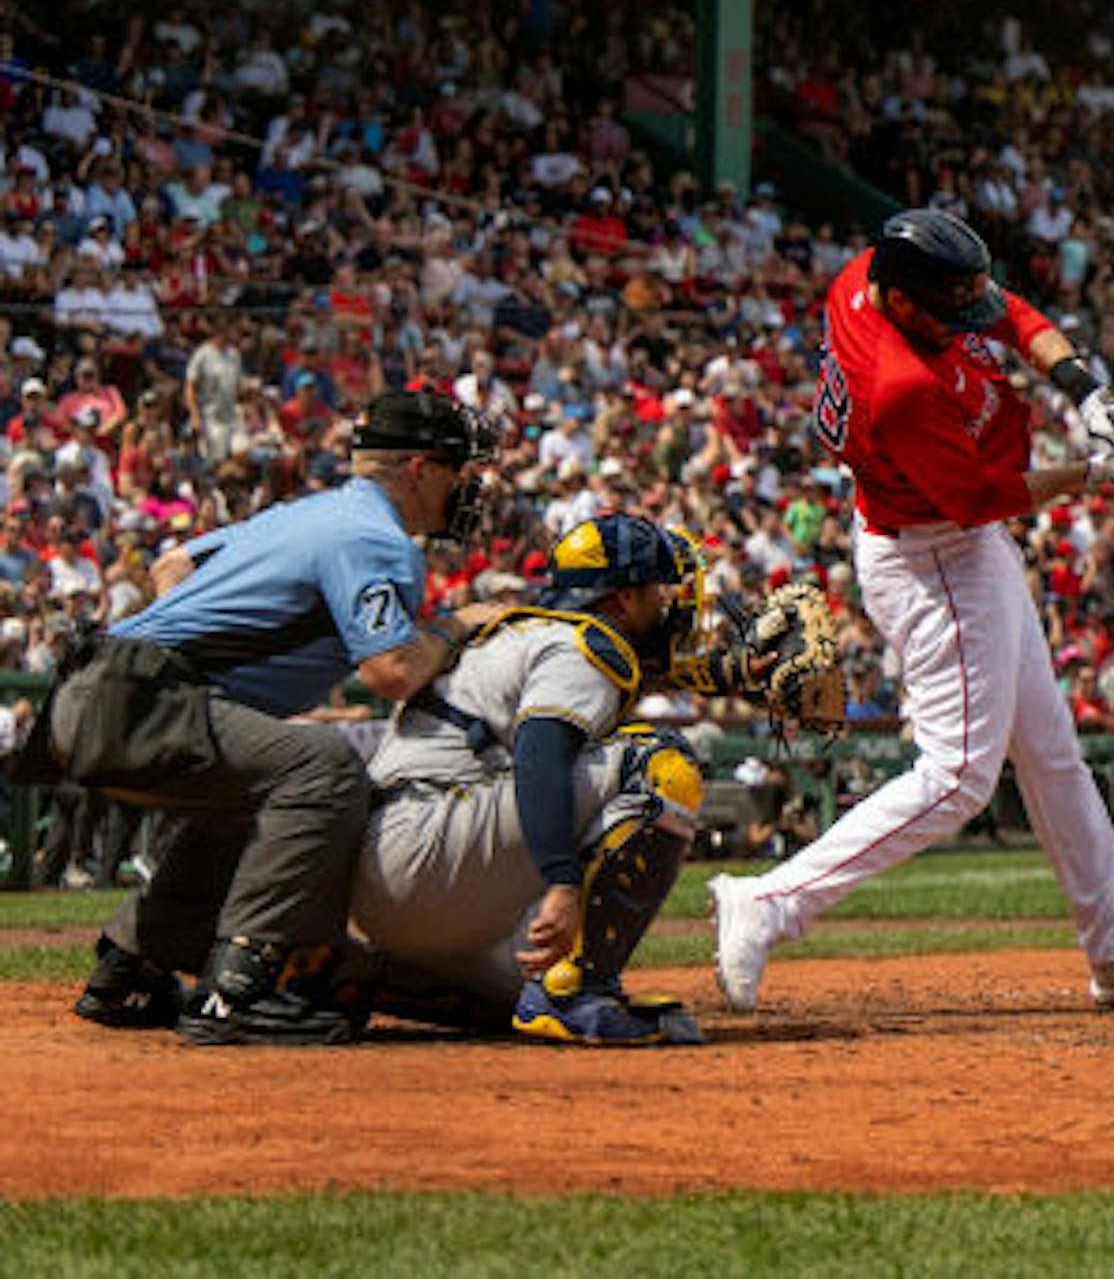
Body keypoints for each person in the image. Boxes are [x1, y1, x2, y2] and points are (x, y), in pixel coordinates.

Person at [709, 208, 1114, 1010]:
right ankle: (770, 902)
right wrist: (1091, 475)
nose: (970, 319)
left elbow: (1010, 313)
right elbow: (978, 498)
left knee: (1051, 753)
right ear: (900, 301)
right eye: (949, 309)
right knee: (961, 775)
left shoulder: (881, 273)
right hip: (932, 552)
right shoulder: (899, 387)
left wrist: (1084, 388)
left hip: (956, 540)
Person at [19, 386, 493, 1045]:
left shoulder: (301, 514)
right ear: (420, 467)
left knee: (255, 788)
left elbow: (171, 563)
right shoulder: (375, 536)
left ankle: (132, 966)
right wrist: (456, 627)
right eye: (458, 468)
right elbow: (393, 671)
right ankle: (247, 983)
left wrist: (204, 663)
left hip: (92, 693)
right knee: (323, 769)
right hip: (139, 702)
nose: (466, 487)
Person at [348, 511, 713, 1046]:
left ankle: (409, 977)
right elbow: (541, 758)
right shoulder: (578, 645)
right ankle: (578, 992)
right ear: (623, 599)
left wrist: (736, 675)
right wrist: (563, 881)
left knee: (525, 989)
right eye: (658, 588)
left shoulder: (533, 633)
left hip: (393, 880)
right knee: (660, 764)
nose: (668, 601)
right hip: (427, 848)